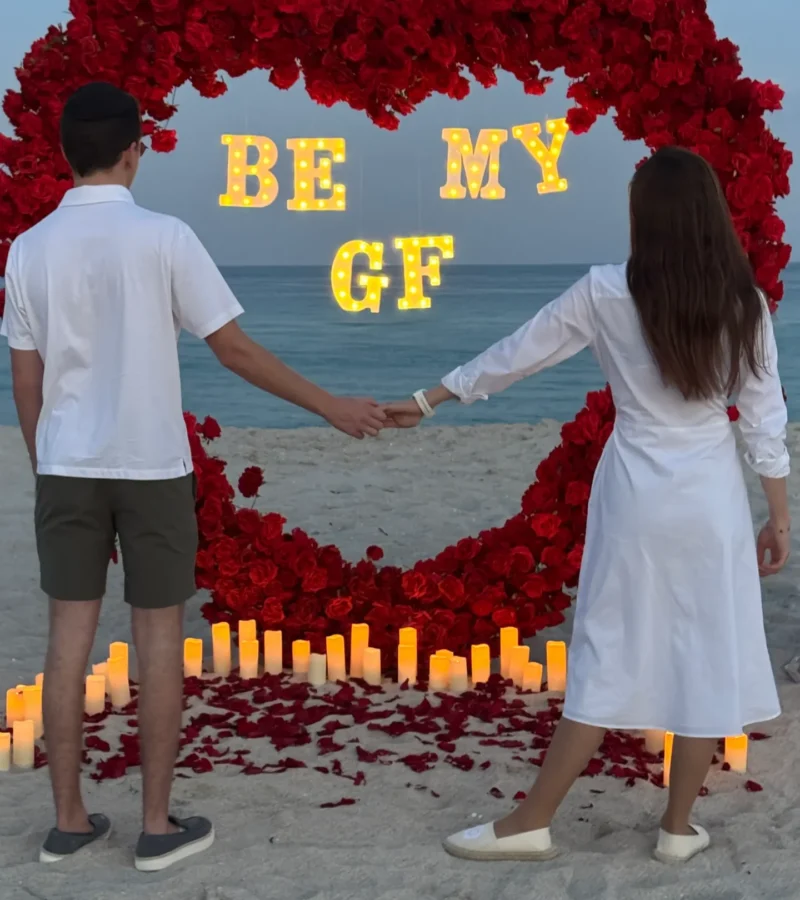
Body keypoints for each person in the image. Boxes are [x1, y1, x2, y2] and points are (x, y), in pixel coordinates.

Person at [0, 81, 386, 871]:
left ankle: (69, 824)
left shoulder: (28, 248)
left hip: (67, 464)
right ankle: (154, 826)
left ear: (65, 154)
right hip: (149, 467)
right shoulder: (165, 236)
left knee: (67, 644)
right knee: (158, 641)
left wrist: (47, 464)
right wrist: (325, 404)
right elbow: (233, 349)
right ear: (135, 152)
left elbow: (26, 380)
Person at [384, 146, 790, 864]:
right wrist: (779, 516)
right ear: (711, 219)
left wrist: (432, 397)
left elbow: (520, 353)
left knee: (606, 647)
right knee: (706, 651)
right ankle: (674, 830)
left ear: (644, 218)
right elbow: (763, 419)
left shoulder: (607, 290)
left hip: (636, 493)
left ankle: (532, 820)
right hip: (710, 500)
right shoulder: (744, 303)